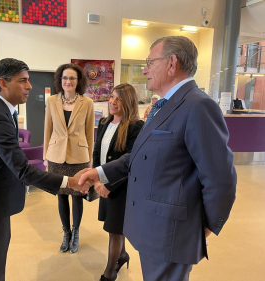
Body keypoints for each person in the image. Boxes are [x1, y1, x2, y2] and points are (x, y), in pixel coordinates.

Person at [79, 36, 237, 281]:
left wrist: (205, 225)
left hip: (171, 233)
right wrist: (99, 172)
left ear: (172, 63)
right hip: (152, 228)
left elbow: (221, 178)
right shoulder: (163, 106)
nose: (145, 69)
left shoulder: (198, 106)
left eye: (150, 62)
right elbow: (139, 155)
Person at [0, 58, 92, 281]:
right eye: (23, 81)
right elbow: (23, 170)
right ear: (3, 83)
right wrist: (69, 182)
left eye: (29, 80)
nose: (29, 86)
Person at [93, 84, 143, 281]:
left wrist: (107, 184)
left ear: (128, 102)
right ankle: (122, 256)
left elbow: (132, 162)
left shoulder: (135, 127)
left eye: (118, 99)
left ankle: (109, 273)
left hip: (122, 187)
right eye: (112, 97)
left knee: (115, 230)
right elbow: (97, 153)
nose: (113, 102)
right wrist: (97, 178)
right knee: (113, 227)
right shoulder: (105, 122)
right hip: (103, 183)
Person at [44, 63, 94, 254]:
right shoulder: (51, 101)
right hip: (56, 156)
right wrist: (45, 156)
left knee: (78, 196)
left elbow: (90, 132)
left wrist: (90, 158)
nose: (68, 81)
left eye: (72, 78)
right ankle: (66, 233)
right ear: (60, 80)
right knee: (62, 196)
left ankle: (76, 232)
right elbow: (47, 128)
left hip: (79, 157)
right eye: (65, 78)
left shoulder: (87, 103)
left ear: (78, 81)